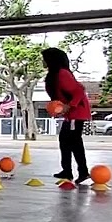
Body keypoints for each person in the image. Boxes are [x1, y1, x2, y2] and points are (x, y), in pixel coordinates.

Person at [42, 47, 92, 184]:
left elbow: (79, 91)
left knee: (74, 142)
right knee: (65, 140)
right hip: (71, 115)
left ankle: (82, 172)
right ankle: (68, 171)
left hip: (76, 113)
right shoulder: (55, 75)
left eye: (45, 59)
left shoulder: (62, 74)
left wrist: (68, 107)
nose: (43, 61)